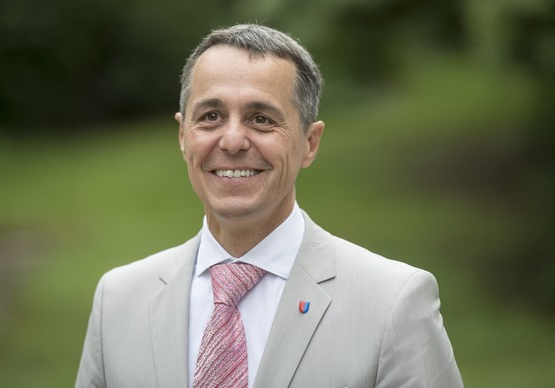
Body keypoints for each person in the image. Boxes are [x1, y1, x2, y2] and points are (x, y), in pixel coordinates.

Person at [76, 24, 463, 388]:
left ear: (310, 143)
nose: (232, 141)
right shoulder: (117, 301)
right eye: (211, 116)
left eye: (261, 119)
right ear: (182, 135)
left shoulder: (392, 302)